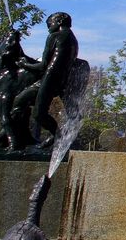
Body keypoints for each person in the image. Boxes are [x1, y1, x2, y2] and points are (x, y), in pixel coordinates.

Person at [12, 12, 79, 149]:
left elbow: (43, 65)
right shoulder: (72, 39)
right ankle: (51, 138)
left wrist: (24, 64)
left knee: (35, 112)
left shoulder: (54, 36)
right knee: (23, 103)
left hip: (49, 79)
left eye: (50, 23)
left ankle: (57, 137)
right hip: (59, 80)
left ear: (59, 21)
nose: (48, 27)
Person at [0, 30, 38, 151]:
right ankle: (9, 139)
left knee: (3, 115)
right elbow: (8, 56)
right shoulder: (11, 43)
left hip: (7, 81)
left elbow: (9, 56)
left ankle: (12, 141)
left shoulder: (11, 43)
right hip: (4, 79)